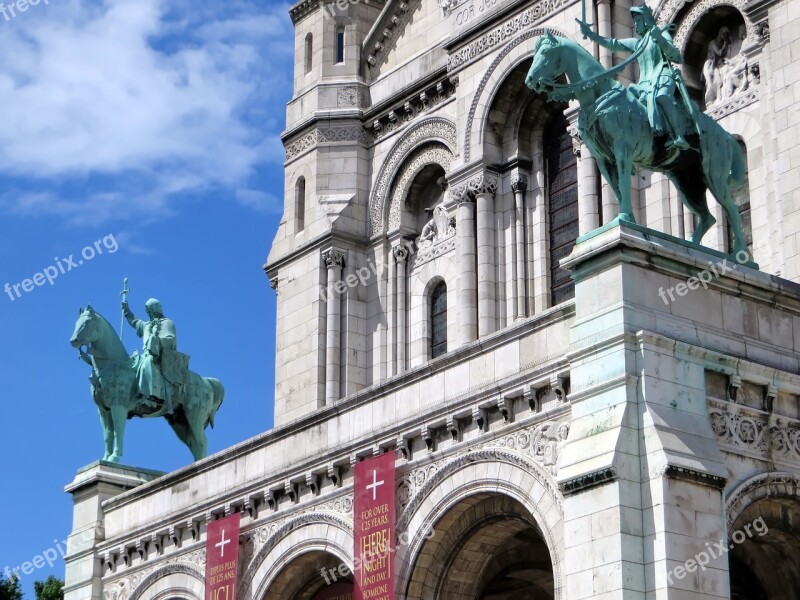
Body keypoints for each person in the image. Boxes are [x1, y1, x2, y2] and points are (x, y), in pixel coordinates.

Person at [578, 5, 691, 150]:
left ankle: (679, 136)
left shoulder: (662, 35)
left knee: (662, 97)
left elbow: (676, 57)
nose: (636, 24)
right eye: (635, 21)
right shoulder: (638, 44)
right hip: (644, 83)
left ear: (646, 20)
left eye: (638, 20)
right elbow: (613, 44)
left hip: (662, 76)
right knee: (628, 104)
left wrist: (660, 40)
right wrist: (591, 35)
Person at [122, 298, 179, 414]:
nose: (149, 312)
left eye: (151, 309)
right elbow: (134, 321)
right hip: (146, 355)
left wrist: (157, 340)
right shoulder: (146, 325)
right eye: (148, 310)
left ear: (156, 309)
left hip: (161, 356)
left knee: (147, 363)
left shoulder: (167, 323)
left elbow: (171, 340)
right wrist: (127, 310)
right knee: (130, 364)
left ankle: (150, 397)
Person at [703, 26, 731, 105]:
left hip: (715, 66)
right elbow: (719, 53)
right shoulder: (712, 43)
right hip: (708, 65)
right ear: (721, 33)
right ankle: (709, 102)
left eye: (726, 34)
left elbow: (724, 55)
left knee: (718, 81)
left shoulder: (723, 44)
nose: (725, 36)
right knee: (709, 83)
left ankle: (718, 98)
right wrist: (725, 43)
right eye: (724, 33)